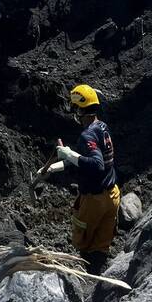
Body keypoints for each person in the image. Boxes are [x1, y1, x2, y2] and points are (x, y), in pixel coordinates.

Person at [43, 84, 120, 274]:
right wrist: (61, 164)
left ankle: (83, 277)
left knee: (82, 240)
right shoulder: (102, 127)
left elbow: (96, 164)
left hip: (94, 201)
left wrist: (69, 154)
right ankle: (100, 278)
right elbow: (88, 159)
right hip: (112, 195)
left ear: (79, 109)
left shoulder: (87, 136)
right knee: (101, 245)